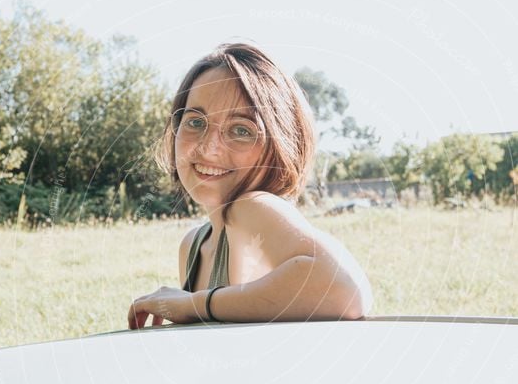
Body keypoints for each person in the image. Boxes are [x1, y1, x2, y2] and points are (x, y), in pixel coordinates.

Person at [127, 41, 373, 329]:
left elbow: (345, 291)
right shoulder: (193, 244)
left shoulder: (250, 207)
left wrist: (192, 303)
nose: (209, 149)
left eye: (241, 130)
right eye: (195, 122)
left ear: (279, 144)